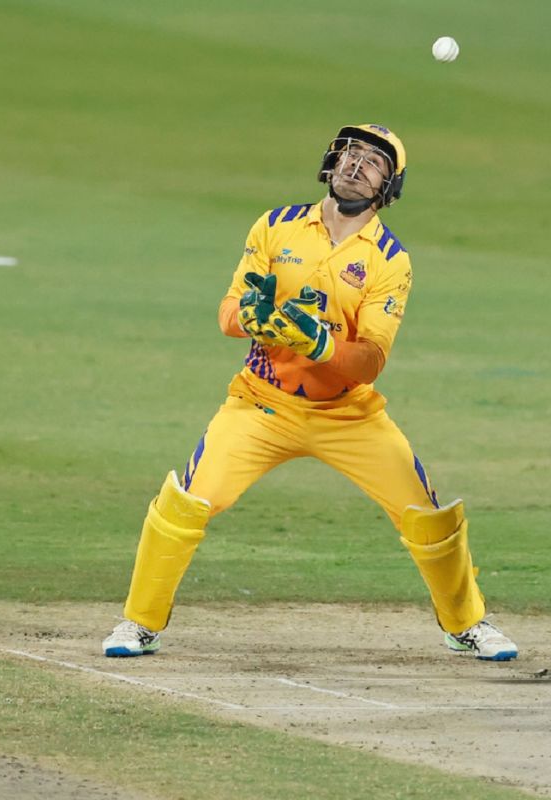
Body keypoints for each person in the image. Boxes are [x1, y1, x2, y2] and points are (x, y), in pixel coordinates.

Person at [102, 123, 517, 663]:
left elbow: (370, 361)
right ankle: (139, 622)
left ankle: (467, 624)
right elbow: (229, 312)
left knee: (428, 514)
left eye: (373, 162)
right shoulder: (276, 226)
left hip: (348, 415)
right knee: (184, 503)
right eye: (350, 153)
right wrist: (251, 316)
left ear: (389, 187)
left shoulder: (389, 259)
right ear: (331, 161)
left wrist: (320, 344)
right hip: (261, 403)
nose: (356, 164)